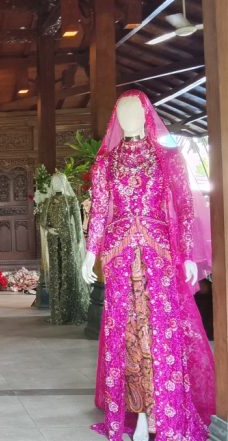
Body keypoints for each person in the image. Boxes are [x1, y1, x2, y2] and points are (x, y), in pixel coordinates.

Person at [81, 90, 215, 441]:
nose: (129, 118)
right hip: (119, 256)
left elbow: (184, 207)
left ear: (146, 115)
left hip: (159, 255)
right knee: (127, 334)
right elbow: (99, 211)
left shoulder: (166, 157)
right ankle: (139, 413)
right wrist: (90, 253)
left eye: (135, 111)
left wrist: (188, 254)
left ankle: (164, 412)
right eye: (122, 112)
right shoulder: (106, 162)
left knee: (161, 332)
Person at [40, 173, 89, 324]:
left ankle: (71, 311)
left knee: (69, 270)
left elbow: (78, 223)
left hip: (69, 239)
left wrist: (79, 241)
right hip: (53, 240)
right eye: (53, 182)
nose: (56, 185)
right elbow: (42, 221)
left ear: (64, 183)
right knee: (56, 271)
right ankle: (58, 313)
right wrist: (49, 229)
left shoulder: (71, 200)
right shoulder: (48, 201)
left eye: (58, 182)